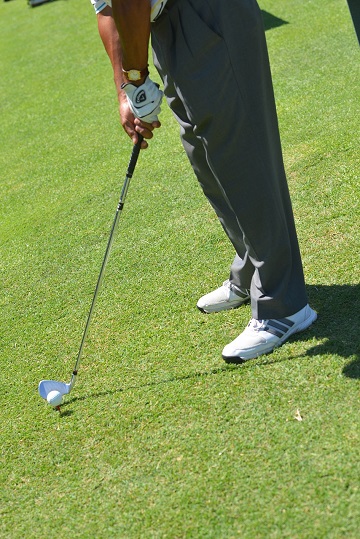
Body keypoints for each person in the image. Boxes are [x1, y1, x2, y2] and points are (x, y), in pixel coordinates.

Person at [90, 0, 317, 362]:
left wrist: (135, 78)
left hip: (206, 10)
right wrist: (126, 92)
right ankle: (253, 266)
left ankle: (283, 304)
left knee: (238, 149)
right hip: (164, 23)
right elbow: (107, 8)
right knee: (202, 148)